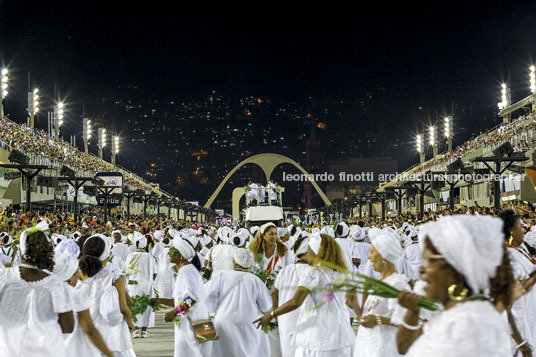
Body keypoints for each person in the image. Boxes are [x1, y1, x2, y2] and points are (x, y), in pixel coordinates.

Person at [396, 215, 513, 356]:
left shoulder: (468, 324)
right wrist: (413, 312)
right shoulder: (452, 314)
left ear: (454, 269)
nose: (421, 268)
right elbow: (404, 348)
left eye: (429, 261)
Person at [254, 233, 355, 356]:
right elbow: (351, 302)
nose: (309, 253)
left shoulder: (312, 273)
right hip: (340, 335)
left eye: (311, 250)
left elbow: (296, 302)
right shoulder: (343, 273)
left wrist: (272, 314)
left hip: (316, 335)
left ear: (317, 252)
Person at [0, 224, 81, 356]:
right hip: (46, 351)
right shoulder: (55, 284)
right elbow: (68, 326)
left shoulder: (4, 278)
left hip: (9, 350)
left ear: (22, 251)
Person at [348, 228, 411, 357]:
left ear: (384, 256)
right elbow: (368, 318)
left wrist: (378, 320)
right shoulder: (381, 283)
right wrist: (355, 307)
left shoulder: (396, 284)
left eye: (372, 252)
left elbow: (406, 320)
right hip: (371, 345)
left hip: (385, 348)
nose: (369, 257)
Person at [77, 234, 136, 357]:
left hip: (85, 332)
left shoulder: (77, 275)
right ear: (106, 256)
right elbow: (123, 308)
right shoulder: (114, 277)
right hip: (111, 335)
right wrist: (130, 322)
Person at [152, 236, 211, 357]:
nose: (169, 252)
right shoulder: (187, 269)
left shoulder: (186, 271)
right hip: (198, 319)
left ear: (180, 255)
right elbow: (182, 299)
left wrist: (174, 312)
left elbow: (192, 299)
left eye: (172, 251)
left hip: (192, 322)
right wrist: (159, 300)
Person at [205, 248, 271, 356]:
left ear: (234, 261)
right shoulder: (256, 280)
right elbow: (266, 307)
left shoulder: (222, 276)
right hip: (249, 323)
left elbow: (206, 294)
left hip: (224, 321)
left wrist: (212, 311)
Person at [499, 209, 536, 355]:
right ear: (511, 230)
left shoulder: (521, 248)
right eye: (521, 226)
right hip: (518, 324)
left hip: (530, 316)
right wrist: (520, 341)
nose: (525, 229)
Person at [272, 232, 311, 357]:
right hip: (307, 318)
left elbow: (275, 293)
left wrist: (276, 313)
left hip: (285, 317)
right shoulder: (314, 272)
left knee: (288, 350)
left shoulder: (285, 270)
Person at [126, 233, 156, 338]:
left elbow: (127, 271)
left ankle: (135, 330)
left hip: (133, 284)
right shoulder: (149, 256)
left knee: (134, 306)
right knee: (146, 306)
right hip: (146, 284)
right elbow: (154, 273)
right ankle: (144, 331)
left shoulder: (130, 256)